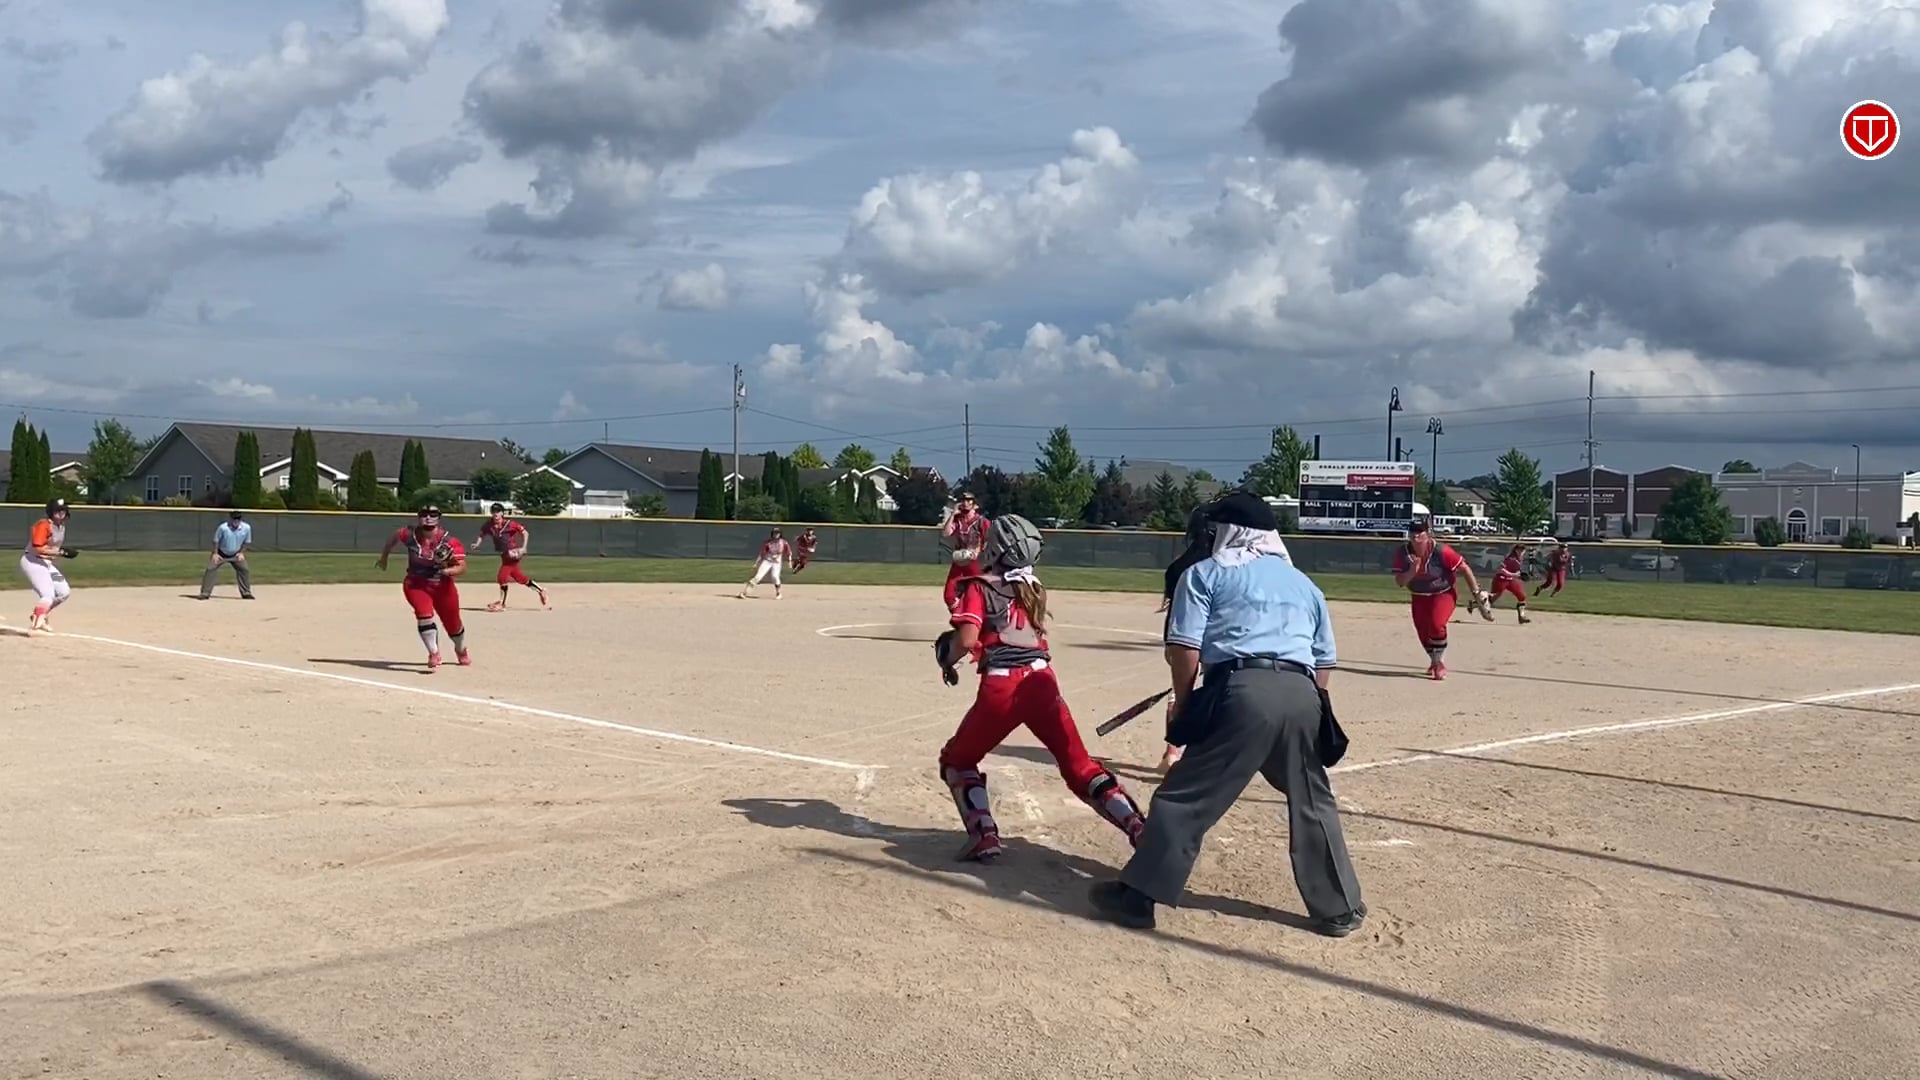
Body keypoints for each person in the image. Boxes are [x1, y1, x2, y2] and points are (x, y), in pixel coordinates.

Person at [1087, 491, 1363, 936]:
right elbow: (1323, 663)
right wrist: (1305, 705)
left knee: (1185, 796)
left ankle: (1137, 898)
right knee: (1313, 799)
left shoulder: (1205, 574)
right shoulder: (1304, 584)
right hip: (1304, 693)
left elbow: (1185, 649)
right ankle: (1339, 908)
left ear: (1229, 531)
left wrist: (1186, 703)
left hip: (1242, 691)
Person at [933, 513, 1148, 862]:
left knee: (957, 760)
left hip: (1002, 688)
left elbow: (969, 639)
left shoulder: (979, 586)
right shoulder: (1034, 586)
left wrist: (947, 656)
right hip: (1042, 683)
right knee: (1080, 767)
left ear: (997, 550)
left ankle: (983, 834)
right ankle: (1137, 826)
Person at [1392, 521, 1492, 680]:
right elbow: (1400, 582)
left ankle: (1438, 663)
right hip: (1419, 595)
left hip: (1443, 592)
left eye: (1420, 532)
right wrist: (1412, 571)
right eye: (1413, 532)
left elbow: (1464, 568)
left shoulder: (1440, 551)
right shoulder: (1403, 553)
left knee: (1436, 624)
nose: (1416, 536)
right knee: (1423, 631)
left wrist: (1476, 593)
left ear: (1428, 534)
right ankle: (1434, 661)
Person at [376, 506, 471, 671]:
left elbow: (462, 567)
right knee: (424, 614)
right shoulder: (409, 535)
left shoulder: (449, 541)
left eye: (432, 514)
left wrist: (446, 570)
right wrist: (384, 557)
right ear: (418, 517)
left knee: (453, 624)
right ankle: (434, 653)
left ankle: (460, 649)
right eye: (424, 514)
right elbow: (394, 537)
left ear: (438, 518)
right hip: (416, 584)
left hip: (442, 586)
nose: (428, 517)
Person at [474, 503, 548, 611]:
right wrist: (477, 544)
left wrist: (523, 547)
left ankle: (502, 603)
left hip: (513, 553)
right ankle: (541, 590)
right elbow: (482, 534)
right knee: (520, 578)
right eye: (493, 511)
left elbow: (525, 533)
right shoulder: (489, 525)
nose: (495, 514)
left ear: (502, 513)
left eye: (498, 511)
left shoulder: (509, 524)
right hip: (504, 555)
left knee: (502, 577)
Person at [21, 497, 76, 632]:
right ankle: (36, 627)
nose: (61, 513)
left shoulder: (61, 527)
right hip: (33, 561)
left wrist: (60, 553)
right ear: (51, 512)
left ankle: (41, 614)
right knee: (48, 595)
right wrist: (61, 552)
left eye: (63, 510)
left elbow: (51, 549)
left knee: (63, 592)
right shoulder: (44, 525)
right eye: (57, 510)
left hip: (45, 563)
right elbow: (38, 548)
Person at [940, 489, 988, 613]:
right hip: (959, 560)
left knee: (976, 593)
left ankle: (976, 618)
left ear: (974, 504)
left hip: (974, 562)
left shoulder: (981, 521)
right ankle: (959, 617)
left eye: (968, 500)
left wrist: (978, 551)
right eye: (963, 500)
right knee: (949, 595)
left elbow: (989, 540)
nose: (965, 503)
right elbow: (946, 533)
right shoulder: (958, 519)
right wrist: (953, 515)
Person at [198, 510, 255, 600]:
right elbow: (216, 540)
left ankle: (246, 592)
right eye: (234, 518)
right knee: (210, 569)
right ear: (230, 519)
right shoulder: (223, 527)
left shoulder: (246, 528)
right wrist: (215, 553)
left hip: (236, 554)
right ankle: (205, 593)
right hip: (221, 553)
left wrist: (241, 553)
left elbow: (247, 542)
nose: (236, 520)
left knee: (244, 569)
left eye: (238, 519)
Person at [740, 528, 791, 599]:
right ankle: (745, 593)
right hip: (767, 561)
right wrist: (756, 563)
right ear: (772, 534)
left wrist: (789, 561)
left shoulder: (784, 542)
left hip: (776, 563)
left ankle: (778, 593)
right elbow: (761, 553)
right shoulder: (768, 543)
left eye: (778, 533)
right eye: (775, 533)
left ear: (780, 534)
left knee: (775, 577)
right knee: (758, 577)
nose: (776, 534)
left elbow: (789, 552)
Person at [1487, 543, 1531, 624]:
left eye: (1523, 550)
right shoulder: (1511, 558)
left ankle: (1521, 616)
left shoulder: (1519, 559)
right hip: (1501, 579)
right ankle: (1475, 604)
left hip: (1510, 580)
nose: (1522, 552)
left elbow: (1515, 570)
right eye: (1520, 550)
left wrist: (1519, 575)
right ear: (1516, 550)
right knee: (1493, 597)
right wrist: (1513, 574)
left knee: (1522, 596)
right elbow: (1500, 569)